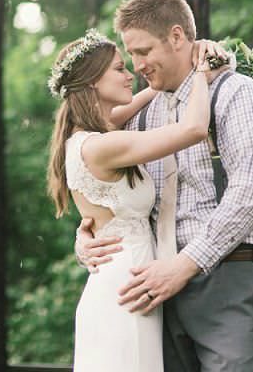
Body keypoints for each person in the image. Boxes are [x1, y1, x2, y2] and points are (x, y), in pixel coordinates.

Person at [77, 0, 253, 371]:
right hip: (155, 293)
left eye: (143, 52)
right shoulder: (144, 116)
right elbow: (113, 192)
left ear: (177, 37)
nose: (137, 64)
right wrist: (89, 234)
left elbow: (251, 190)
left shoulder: (236, 94)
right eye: (130, 55)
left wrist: (185, 264)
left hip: (228, 277)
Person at [47, 22, 227, 372]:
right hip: (126, 290)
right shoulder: (102, 145)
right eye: (119, 68)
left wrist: (179, 74)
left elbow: (146, 96)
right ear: (91, 82)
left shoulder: (89, 135)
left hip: (127, 281)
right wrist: (202, 76)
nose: (131, 74)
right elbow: (192, 129)